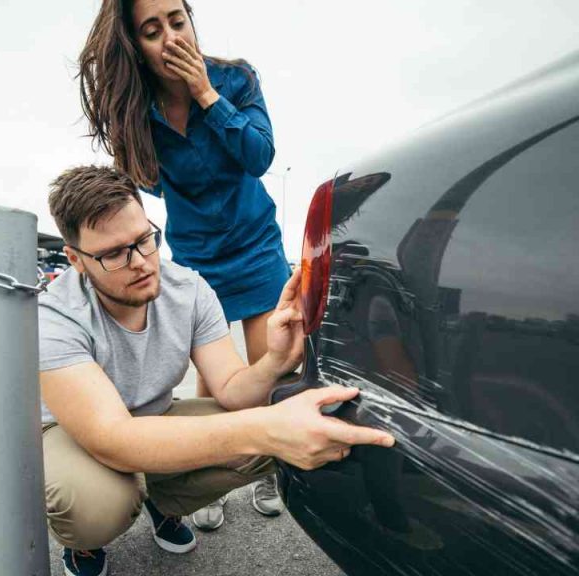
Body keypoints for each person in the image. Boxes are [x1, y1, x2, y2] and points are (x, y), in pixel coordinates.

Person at [40, 165, 395, 576]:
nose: (140, 263)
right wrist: (266, 427)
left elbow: (230, 388)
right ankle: (86, 545)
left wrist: (276, 360)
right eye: (115, 253)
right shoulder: (55, 314)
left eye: (144, 240)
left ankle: (164, 502)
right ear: (76, 259)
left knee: (279, 426)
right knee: (94, 506)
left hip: (154, 415)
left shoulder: (188, 289)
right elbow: (111, 438)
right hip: (78, 435)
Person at [78, 0, 291, 528]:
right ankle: (211, 471)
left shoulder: (236, 78)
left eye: (178, 20)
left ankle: (269, 470)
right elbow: (147, 180)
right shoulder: (138, 111)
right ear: (137, 48)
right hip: (197, 256)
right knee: (214, 380)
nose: (172, 37)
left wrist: (206, 95)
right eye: (153, 31)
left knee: (266, 370)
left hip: (256, 244)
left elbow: (259, 156)